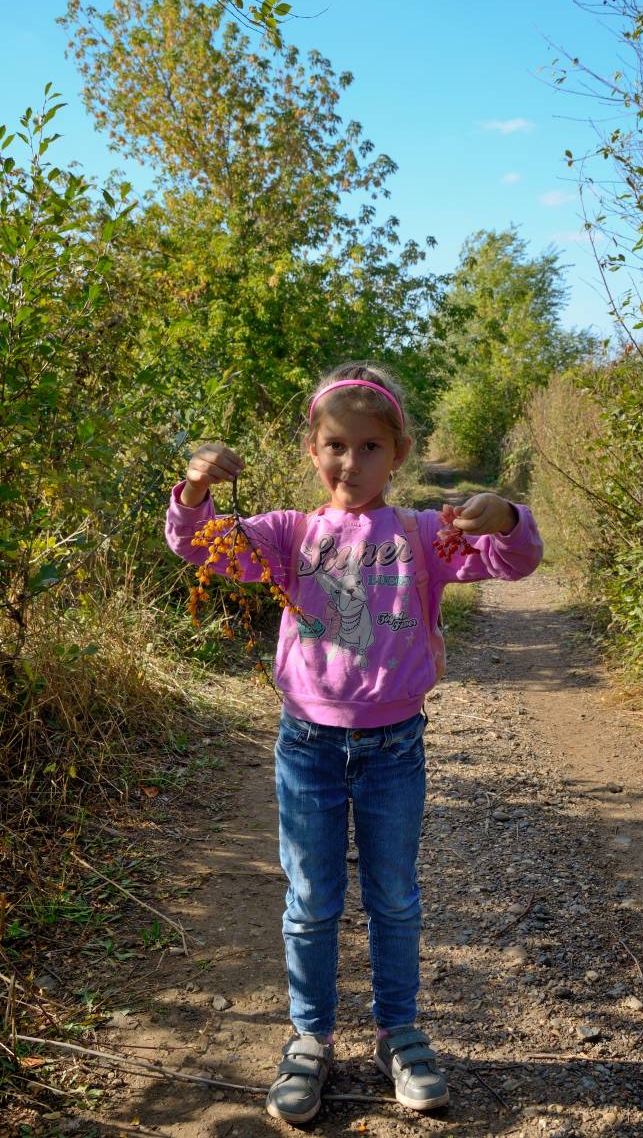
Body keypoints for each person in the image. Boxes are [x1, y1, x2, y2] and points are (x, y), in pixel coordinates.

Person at [165, 361, 543, 1125]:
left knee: (394, 898)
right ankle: (310, 1040)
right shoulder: (285, 534)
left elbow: (517, 559)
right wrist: (195, 489)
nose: (351, 462)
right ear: (312, 449)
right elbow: (199, 546)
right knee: (310, 900)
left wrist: (504, 515)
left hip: (394, 746)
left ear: (397, 453)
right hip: (306, 745)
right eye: (336, 445)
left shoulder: (424, 534)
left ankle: (398, 1034)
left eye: (370, 447)